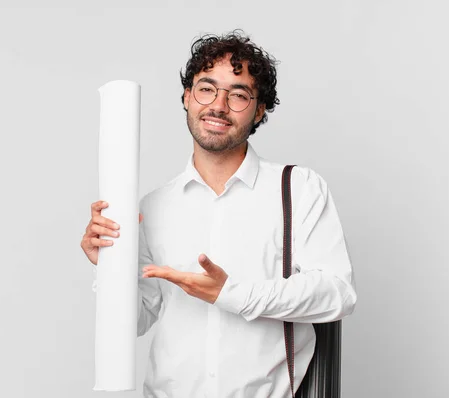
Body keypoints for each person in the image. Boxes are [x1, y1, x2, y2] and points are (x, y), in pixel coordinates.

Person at [80, 30, 357, 398]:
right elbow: (135, 321)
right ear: (187, 97)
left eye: (238, 95)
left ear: (259, 110)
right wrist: (109, 268)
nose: (219, 105)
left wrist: (232, 294)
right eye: (206, 88)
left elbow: (336, 294)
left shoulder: (298, 188)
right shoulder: (152, 207)